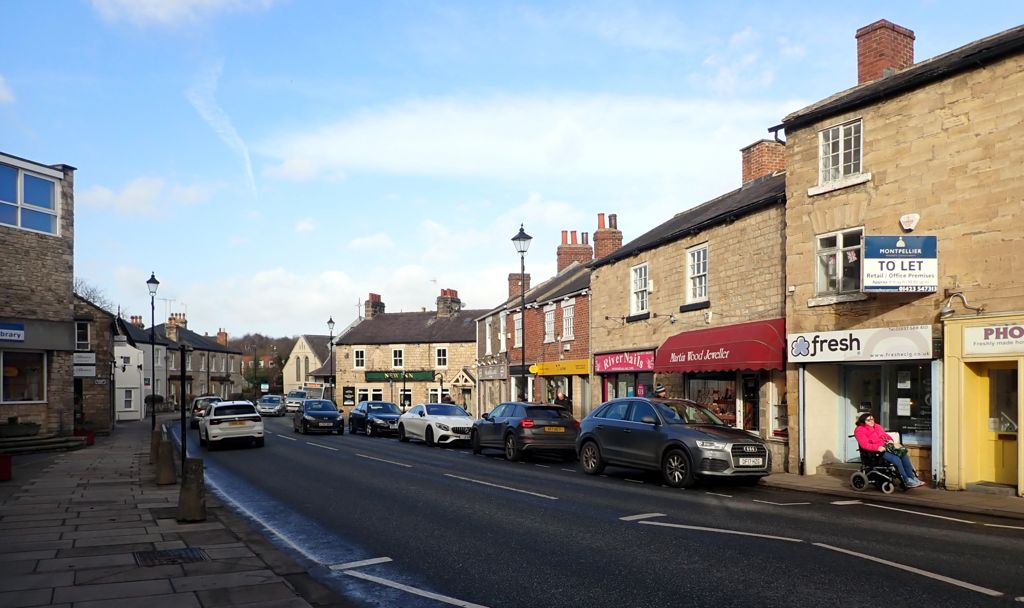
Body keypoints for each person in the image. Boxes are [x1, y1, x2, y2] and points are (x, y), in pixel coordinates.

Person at [854, 412, 924, 488]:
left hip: (887, 447)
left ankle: (912, 478)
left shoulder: (877, 426)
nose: (871, 421)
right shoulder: (859, 430)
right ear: (863, 421)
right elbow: (865, 445)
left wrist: (890, 440)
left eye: (872, 419)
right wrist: (878, 447)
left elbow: (885, 435)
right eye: (868, 420)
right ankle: (906, 480)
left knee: (904, 455)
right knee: (896, 459)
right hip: (875, 453)